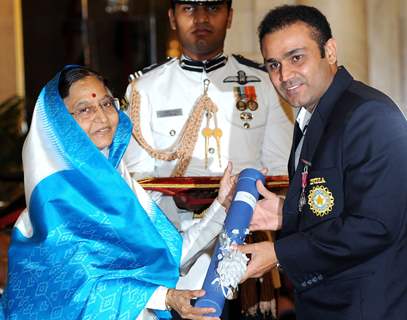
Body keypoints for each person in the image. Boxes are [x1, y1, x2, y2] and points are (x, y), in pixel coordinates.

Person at [0, 66, 237, 320]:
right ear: (61, 121)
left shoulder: (119, 185)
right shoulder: (54, 201)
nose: (102, 117)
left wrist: (222, 206)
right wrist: (164, 298)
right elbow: (75, 288)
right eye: (85, 109)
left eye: (106, 104)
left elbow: (170, 255)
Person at [124, 1, 293, 317]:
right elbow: (137, 184)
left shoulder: (263, 82)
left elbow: (281, 170)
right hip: (174, 245)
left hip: (245, 241)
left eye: (213, 7)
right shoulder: (145, 88)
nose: (201, 17)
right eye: (188, 8)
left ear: (230, 16)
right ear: (172, 17)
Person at [239, 4, 407, 320]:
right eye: (273, 64)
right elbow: (334, 203)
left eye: (296, 58)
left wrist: (278, 253)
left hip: (367, 307)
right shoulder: (314, 115)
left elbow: (374, 225)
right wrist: (284, 213)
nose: (284, 75)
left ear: (329, 51)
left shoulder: (370, 116)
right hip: (327, 304)